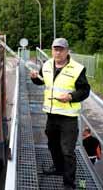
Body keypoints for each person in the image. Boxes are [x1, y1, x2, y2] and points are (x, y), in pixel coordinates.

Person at [31, 37, 90, 190]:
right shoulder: (47, 65)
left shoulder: (77, 69)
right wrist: (34, 78)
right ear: (52, 50)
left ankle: (69, 183)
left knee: (68, 151)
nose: (57, 52)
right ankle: (58, 168)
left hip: (68, 117)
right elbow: (42, 81)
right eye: (55, 49)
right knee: (52, 145)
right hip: (51, 115)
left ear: (67, 51)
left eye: (61, 49)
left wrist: (70, 96)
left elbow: (85, 91)